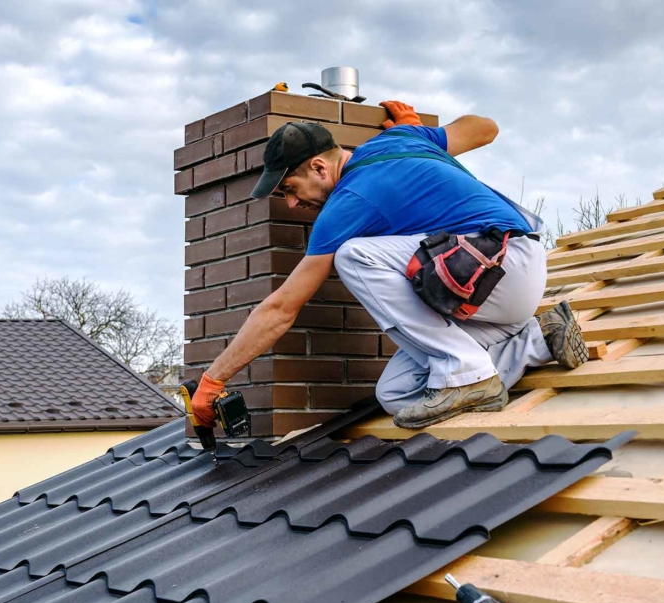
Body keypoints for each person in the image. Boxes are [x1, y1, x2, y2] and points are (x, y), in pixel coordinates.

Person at [191, 101, 587, 430]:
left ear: (318, 167)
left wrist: (214, 379)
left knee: (354, 255)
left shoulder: (348, 202)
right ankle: (538, 339)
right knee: (396, 394)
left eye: (290, 190)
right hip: (493, 291)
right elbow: (486, 127)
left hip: (501, 264)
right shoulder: (403, 138)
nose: (292, 205)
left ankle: (468, 373)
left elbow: (281, 309)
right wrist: (424, 137)